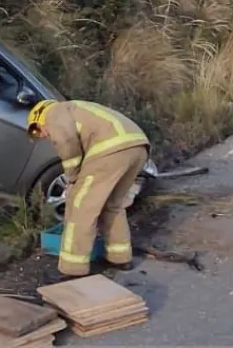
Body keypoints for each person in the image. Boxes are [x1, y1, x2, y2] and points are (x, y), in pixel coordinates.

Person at [27, 99, 150, 280]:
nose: (42, 135)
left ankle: (72, 269)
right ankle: (120, 257)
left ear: (40, 116)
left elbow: (66, 142)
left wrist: (73, 176)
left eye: (37, 129)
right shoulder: (77, 108)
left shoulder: (54, 113)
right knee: (113, 205)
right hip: (137, 147)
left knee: (80, 209)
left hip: (110, 150)